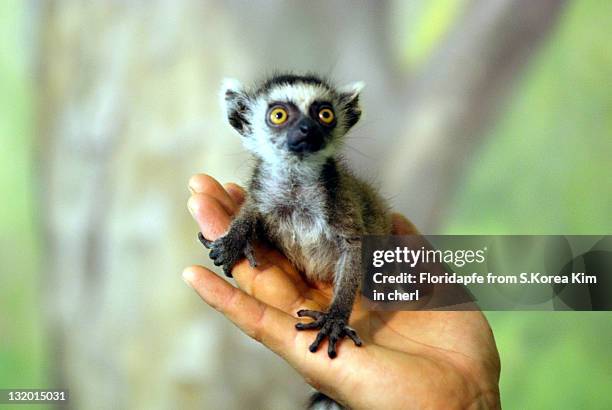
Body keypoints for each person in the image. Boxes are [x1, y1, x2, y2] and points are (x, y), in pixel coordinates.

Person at [183, 174, 501, 409]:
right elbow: (257, 208)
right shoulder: (268, 187)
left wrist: (468, 401)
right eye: (279, 116)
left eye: (322, 115)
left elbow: (353, 245)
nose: (303, 128)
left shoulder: (338, 193)